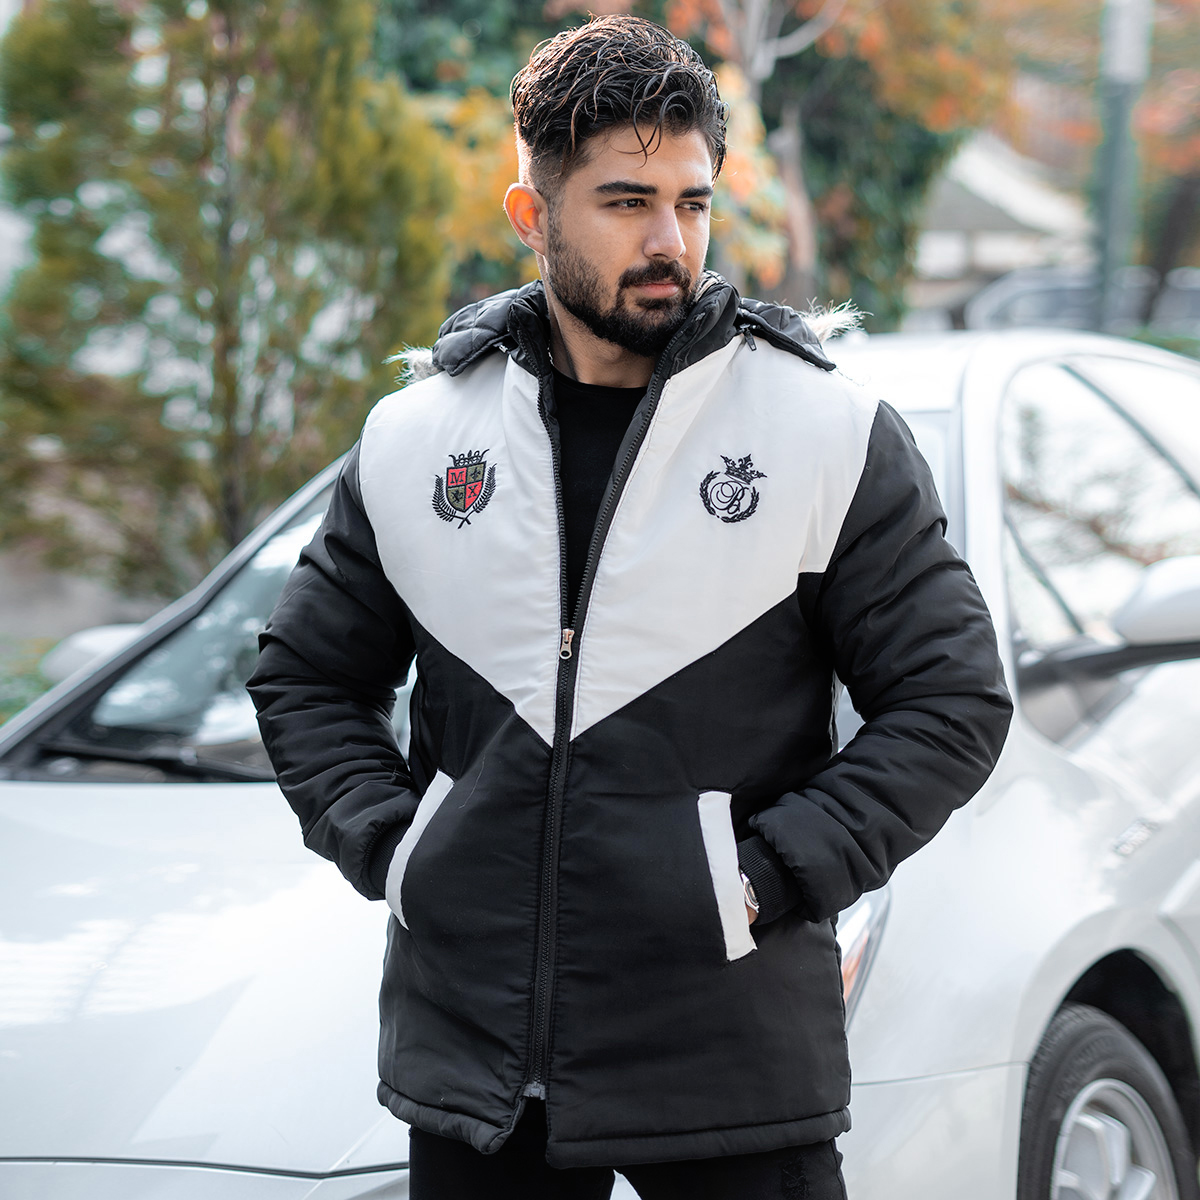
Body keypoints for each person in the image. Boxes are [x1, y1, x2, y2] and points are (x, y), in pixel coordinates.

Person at [248, 15, 1012, 1199]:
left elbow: (952, 701)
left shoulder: (824, 432)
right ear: (532, 213)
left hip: (730, 1068)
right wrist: (401, 850)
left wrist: (762, 877)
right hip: (477, 1072)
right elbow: (305, 676)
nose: (670, 240)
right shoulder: (418, 437)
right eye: (625, 203)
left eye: (692, 203)